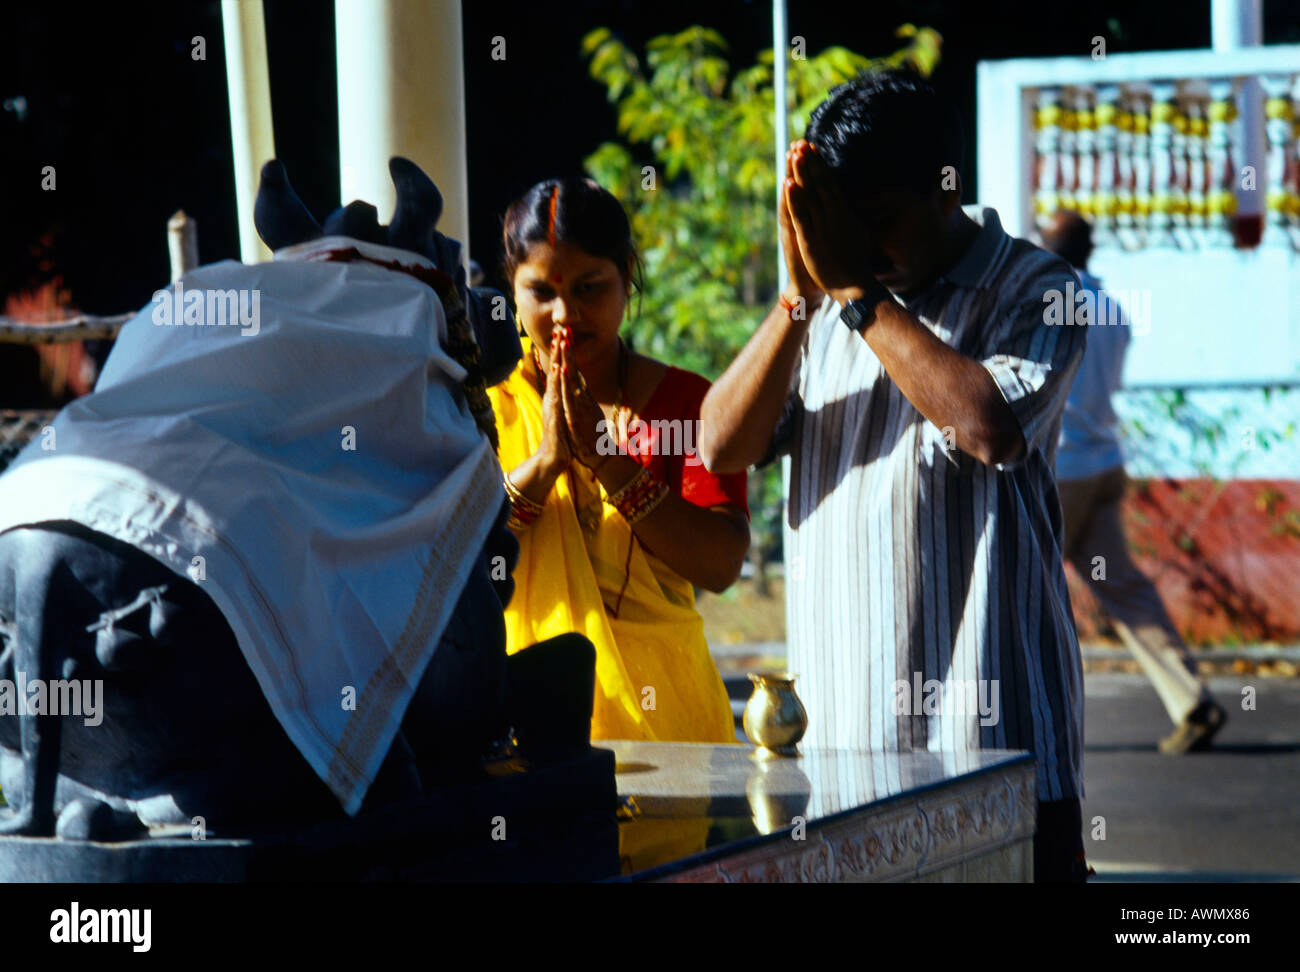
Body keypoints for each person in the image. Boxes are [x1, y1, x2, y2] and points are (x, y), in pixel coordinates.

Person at [699, 70, 1089, 882]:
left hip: (996, 761)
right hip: (845, 777)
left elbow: (990, 427)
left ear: (947, 192)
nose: (856, 245)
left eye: (877, 222)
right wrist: (793, 299)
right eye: (839, 224)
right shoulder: (827, 307)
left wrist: (854, 289)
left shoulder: (1042, 291)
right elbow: (720, 446)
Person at [488, 176, 748, 747]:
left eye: (589, 287)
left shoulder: (687, 403)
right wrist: (546, 464)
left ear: (628, 277)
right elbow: (450, 561)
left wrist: (609, 463)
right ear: (511, 288)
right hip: (521, 723)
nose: (565, 314)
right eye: (542, 291)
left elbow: (722, 565)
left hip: (670, 725)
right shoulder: (483, 405)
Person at [1041, 209, 1227, 755]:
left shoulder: (1044, 303)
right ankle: (1190, 697)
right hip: (1103, 464)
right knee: (1124, 590)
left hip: (1062, 470)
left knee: (1025, 592)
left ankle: (1030, 731)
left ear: (1048, 250)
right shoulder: (1113, 310)